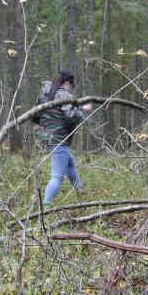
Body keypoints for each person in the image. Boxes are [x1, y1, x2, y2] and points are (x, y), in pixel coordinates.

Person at [35, 70, 92, 205]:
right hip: (59, 138)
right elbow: (71, 116)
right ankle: (46, 207)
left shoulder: (44, 94)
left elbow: (36, 116)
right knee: (57, 177)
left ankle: (80, 190)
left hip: (46, 137)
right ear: (67, 82)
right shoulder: (64, 95)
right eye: (71, 85)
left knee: (69, 163)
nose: (70, 88)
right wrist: (83, 110)